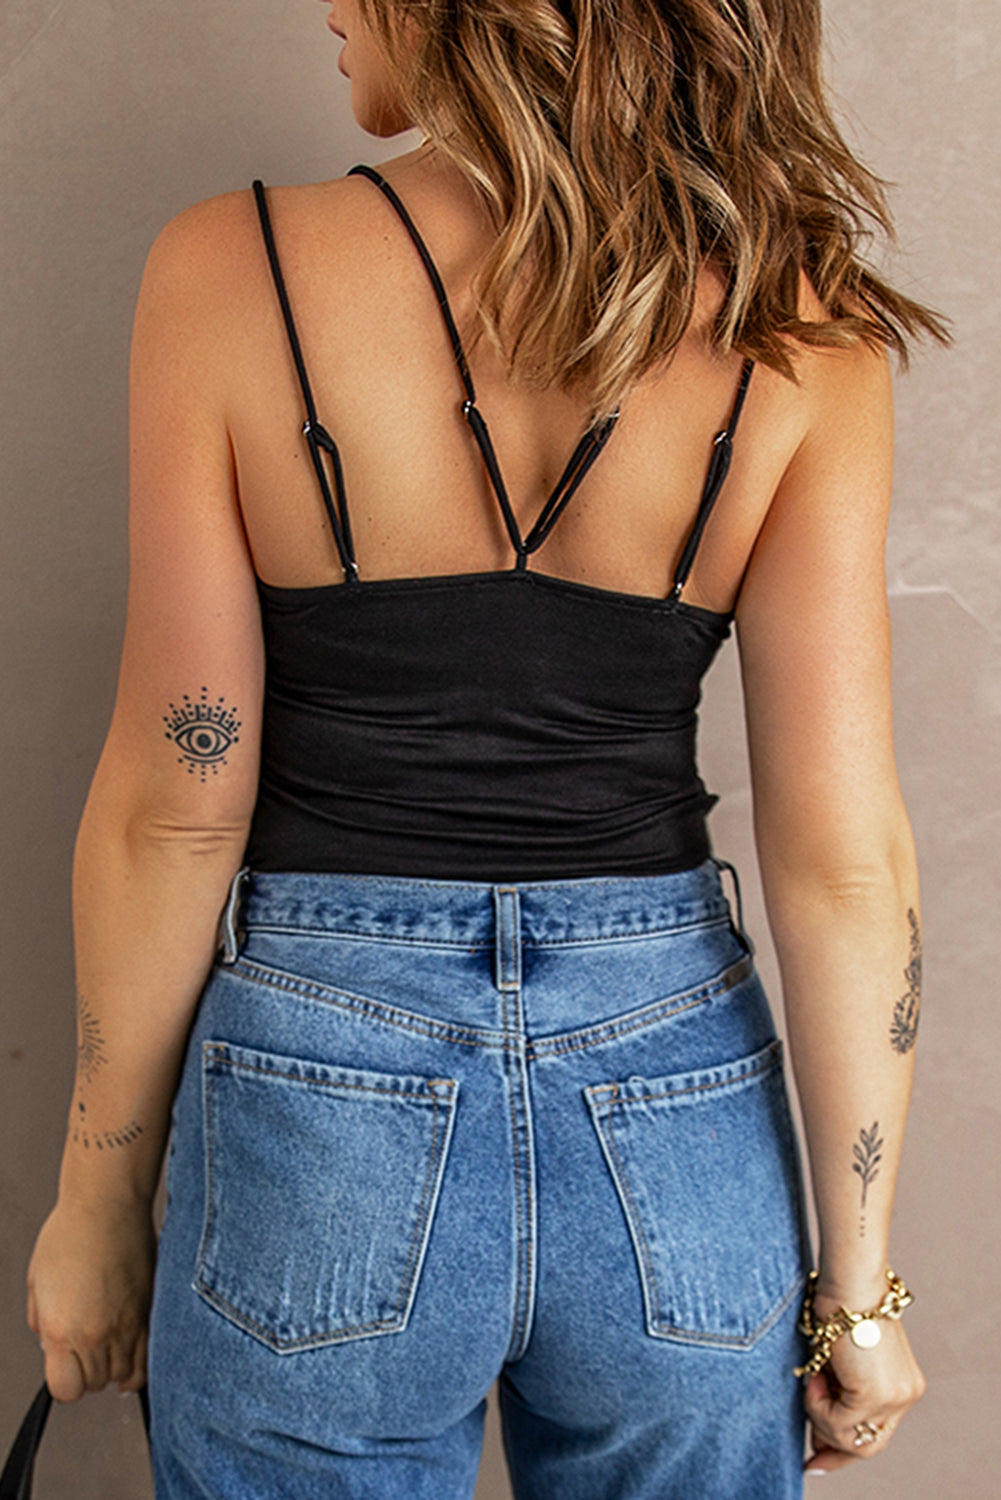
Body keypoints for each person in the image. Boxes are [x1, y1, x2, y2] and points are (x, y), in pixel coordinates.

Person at [25, 0, 950, 1494]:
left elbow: (174, 809)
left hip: (321, 1094)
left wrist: (96, 1207)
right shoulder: (801, 333)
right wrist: (859, 1294)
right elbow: (842, 863)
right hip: (673, 1102)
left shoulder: (230, 270)